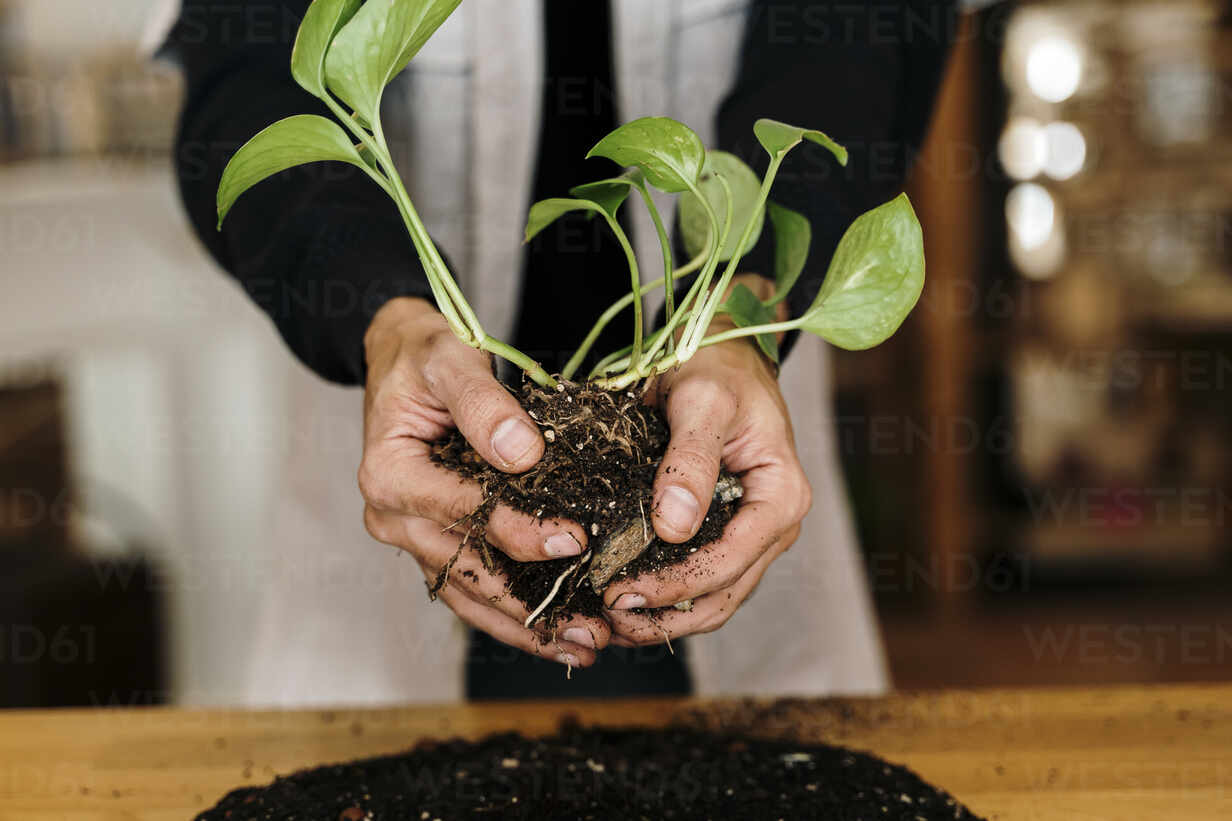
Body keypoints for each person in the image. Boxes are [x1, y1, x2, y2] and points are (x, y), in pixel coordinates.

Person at [162, 0, 956, 704]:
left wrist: (740, 307)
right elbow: (245, 76)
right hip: (405, 517)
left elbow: (859, 34)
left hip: (725, 475)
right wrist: (384, 313)